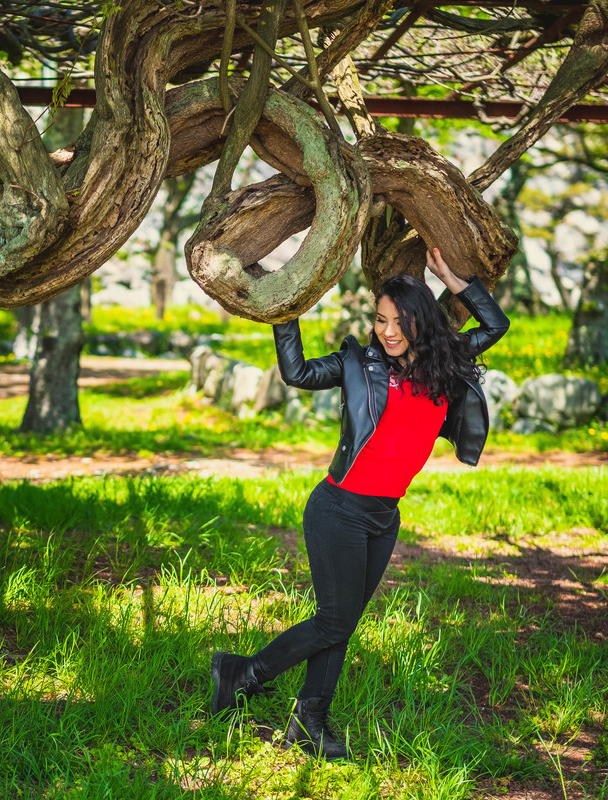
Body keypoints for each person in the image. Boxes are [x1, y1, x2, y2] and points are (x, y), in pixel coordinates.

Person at [209, 248, 510, 759]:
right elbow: (298, 373)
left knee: (341, 622)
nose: (388, 331)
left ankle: (307, 721)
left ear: (422, 321)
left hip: (382, 518)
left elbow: (496, 324)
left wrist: (453, 279)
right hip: (339, 509)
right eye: (380, 319)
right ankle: (243, 674)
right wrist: (288, 307)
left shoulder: (444, 362)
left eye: (400, 320)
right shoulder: (359, 363)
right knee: (334, 620)